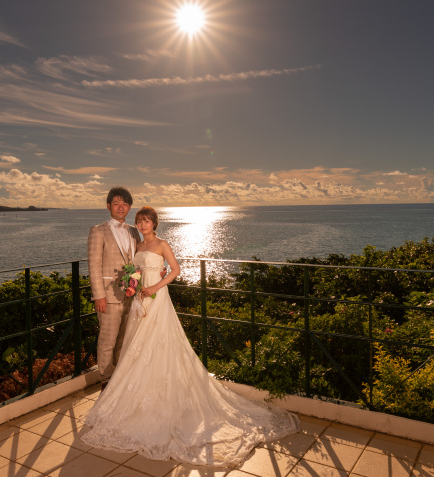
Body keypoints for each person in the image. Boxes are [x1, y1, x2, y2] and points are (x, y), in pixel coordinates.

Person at [82, 206, 299, 467]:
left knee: (159, 344)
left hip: (157, 298)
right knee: (137, 347)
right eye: (139, 221)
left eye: (146, 220)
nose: (142, 224)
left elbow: (175, 270)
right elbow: (133, 272)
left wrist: (154, 286)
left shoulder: (163, 244)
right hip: (140, 301)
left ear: (155, 223)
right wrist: (135, 285)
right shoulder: (137, 247)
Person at [87, 186, 141, 391]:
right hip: (108, 297)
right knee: (107, 340)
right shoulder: (98, 230)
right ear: (109, 206)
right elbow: (93, 265)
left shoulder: (134, 231)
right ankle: (105, 381)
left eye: (125, 204)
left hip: (131, 295)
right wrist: (98, 296)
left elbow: (138, 260)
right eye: (117, 203)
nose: (121, 207)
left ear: (129, 208)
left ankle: (119, 379)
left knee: (123, 340)